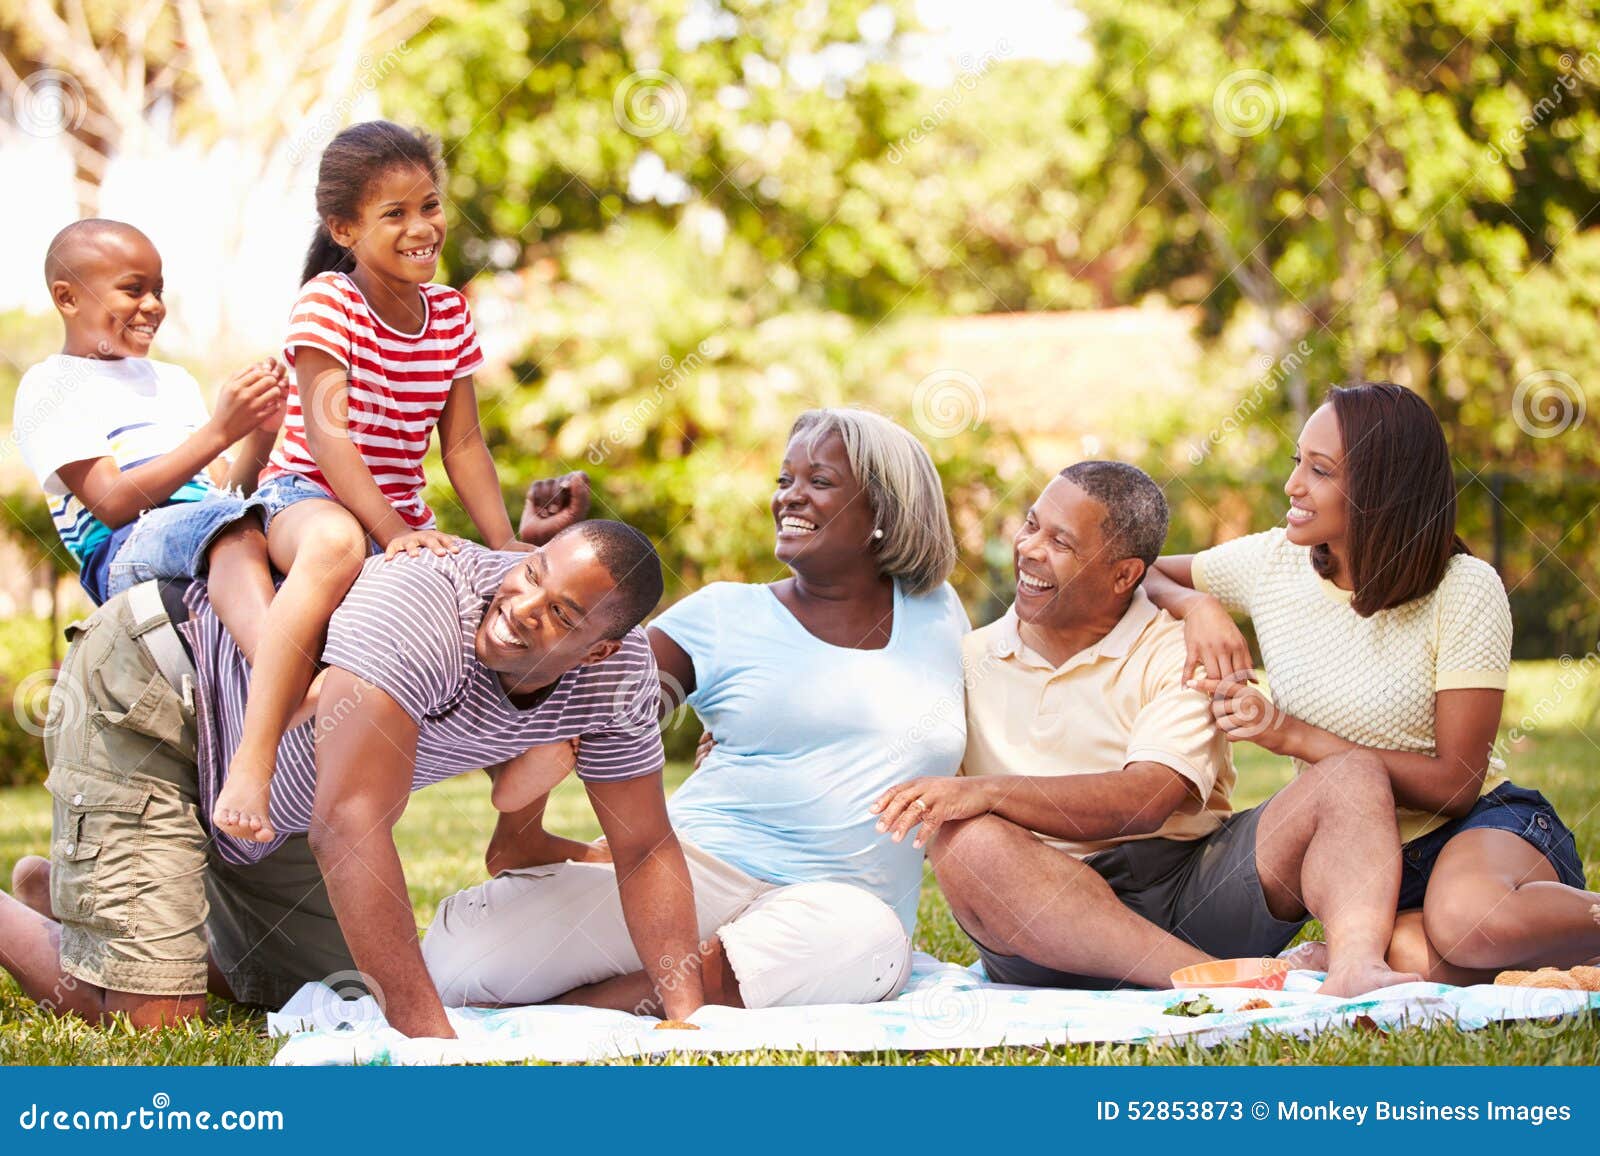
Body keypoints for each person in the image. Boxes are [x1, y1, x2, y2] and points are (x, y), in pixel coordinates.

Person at [0, 521, 707, 1039]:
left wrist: (689, 1015)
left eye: (562, 614)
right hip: (164, 698)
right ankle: (70, 922)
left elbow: (643, 845)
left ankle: (75, 906)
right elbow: (349, 829)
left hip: (274, 802)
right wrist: (430, 1047)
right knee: (154, 1021)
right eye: (532, 574)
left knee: (319, 998)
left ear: (601, 649)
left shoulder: (619, 679)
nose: (523, 606)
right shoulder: (426, 607)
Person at [422, 408, 969, 1013]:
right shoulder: (720, 617)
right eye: (784, 480)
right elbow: (571, 705)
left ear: (884, 511)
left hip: (836, 910)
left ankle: (606, 1001)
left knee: (869, 943)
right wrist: (542, 557)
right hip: (699, 870)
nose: (790, 497)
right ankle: (699, 978)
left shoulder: (940, 614)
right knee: (464, 959)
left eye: (819, 481)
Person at [874, 462, 1420, 997]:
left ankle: (1356, 969)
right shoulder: (968, 659)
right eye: (1031, 524)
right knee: (966, 841)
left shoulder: (1181, 650)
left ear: (1125, 575)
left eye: (1061, 542)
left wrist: (986, 791)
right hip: (1040, 920)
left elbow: (1147, 798)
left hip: (1189, 889)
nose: (1030, 549)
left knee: (1354, 773)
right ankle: (1211, 977)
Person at [1144, 382, 1598, 981]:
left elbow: (1456, 786)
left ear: (1384, 488)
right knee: (1411, 955)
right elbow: (1143, 573)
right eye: (1296, 462)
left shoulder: (1465, 589)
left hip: (1476, 830)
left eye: (1320, 470)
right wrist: (1200, 607)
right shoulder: (1273, 562)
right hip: (1370, 857)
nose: (1293, 485)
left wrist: (1290, 734)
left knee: (1466, 920)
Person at [214, 121, 528, 846]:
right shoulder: (329, 301)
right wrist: (390, 534)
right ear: (344, 227)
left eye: (429, 205)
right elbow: (329, 435)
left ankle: (517, 789)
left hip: (398, 511)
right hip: (305, 495)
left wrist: (504, 539)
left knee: (500, 586)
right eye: (395, 214)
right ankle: (252, 763)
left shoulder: (449, 312)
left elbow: (466, 443)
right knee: (334, 544)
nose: (422, 228)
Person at [13, 218, 284, 623]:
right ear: (68, 299)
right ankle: (276, 675)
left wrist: (261, 432)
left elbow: (229, 493)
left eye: (157, 290)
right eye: (133, 289)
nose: (154, 305)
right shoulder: (50, 385)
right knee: (230, 529)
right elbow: (112, 503)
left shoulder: (174, 381)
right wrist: (220, 431)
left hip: (205, 525)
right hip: (124, 550)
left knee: (297, 512)